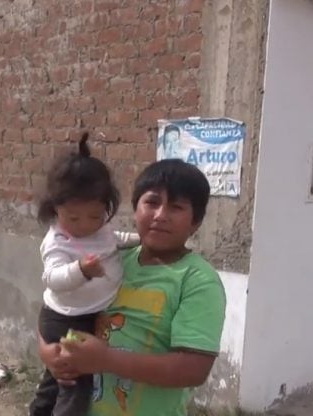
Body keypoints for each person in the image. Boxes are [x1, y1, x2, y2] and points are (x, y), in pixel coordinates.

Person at [38, 158, 226, 416]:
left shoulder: (197, 279)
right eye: (152, 202)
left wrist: (105, 360)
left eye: (176, 207)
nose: (160, 215)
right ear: (135, 208)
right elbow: (57, 308)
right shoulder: (114, 260)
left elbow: (194, 369)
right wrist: (48, 352)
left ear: (196, 222)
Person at [29, 132, 139, 416]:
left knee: (56, 377)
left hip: (89, 314)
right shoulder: (58, 241)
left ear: (106, 208)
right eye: (74, 218)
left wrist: (142, 239)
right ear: (56, 209)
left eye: (95, 216)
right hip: (65, 317)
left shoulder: (101, 231)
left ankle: (39, 411)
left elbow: (117, 238)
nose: (85, 225)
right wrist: (80, 270)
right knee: (74, 382)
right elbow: (52, 278)